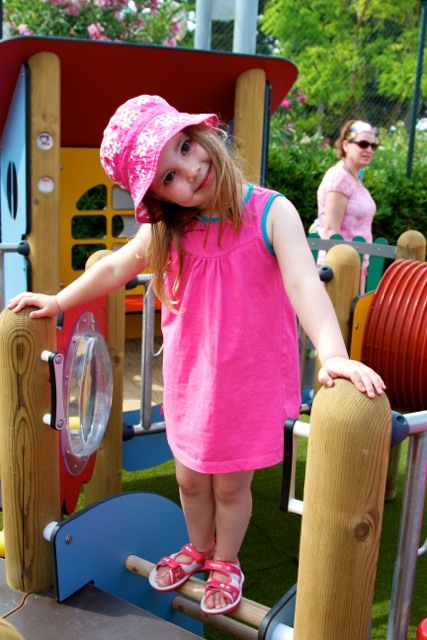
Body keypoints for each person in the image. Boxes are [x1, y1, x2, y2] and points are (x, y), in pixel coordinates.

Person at [8, 96, 386, 616]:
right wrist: (58, 301)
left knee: (229, 486)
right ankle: (198, 547)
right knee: (188, 478)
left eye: (185, 148)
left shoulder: (270, 212)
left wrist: (333, 355)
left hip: (246, 384)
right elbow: (113, 268)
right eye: (169, 176)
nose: (191, 170)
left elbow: (304, 283)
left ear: (202, 135)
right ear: (158, 197)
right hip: (192, 382)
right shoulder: (169, 230)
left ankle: (226, 560)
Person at [316, 119, 378, 293]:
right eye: (363, 144)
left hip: (355, 265)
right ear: (346, 145)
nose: (369, 149)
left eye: (373, 145)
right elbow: (331, 229)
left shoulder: (355, 177)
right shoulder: (339, 177)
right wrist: (343, 266)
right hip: (338, 269)